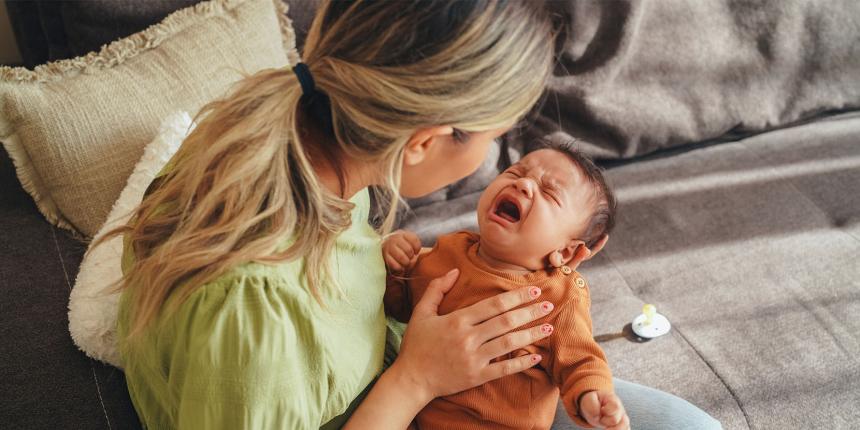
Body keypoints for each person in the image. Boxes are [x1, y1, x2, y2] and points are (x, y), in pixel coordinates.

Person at [89, 1, 722, 428]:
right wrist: (416, 380)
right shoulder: (253, 312)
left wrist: (389, 270)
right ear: (423, 141)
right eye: (496, 145)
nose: (505, 168)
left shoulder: (311, 134)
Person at [382, 143, 628, 430]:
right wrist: (395, 265)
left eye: (549, 192)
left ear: (566, 253)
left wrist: (593, 395)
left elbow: (581, 360)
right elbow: (399, 308)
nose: (523, 184)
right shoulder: (448, 251)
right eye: (515, 172)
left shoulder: (559, 297)